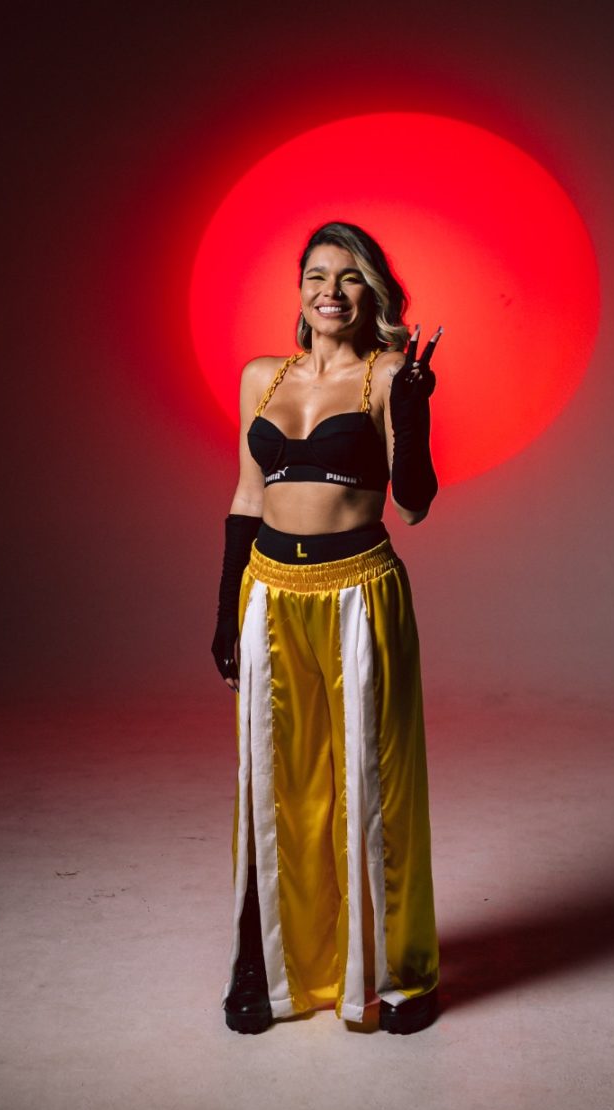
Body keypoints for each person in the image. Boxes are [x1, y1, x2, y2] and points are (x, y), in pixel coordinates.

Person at [212, 221, 440, 1035]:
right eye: (316, 275)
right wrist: (225, 611)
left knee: (372, 788)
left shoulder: (387, 376)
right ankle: (265, 972)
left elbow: (414, 504)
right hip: (269, 594)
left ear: (370, 294)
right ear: (300, 288)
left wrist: (411, 412)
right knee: (272, 787)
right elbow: (248, 497)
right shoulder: (262, 377)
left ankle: (401, 976)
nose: (330, 292)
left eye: (348, 278)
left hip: (357, 593)